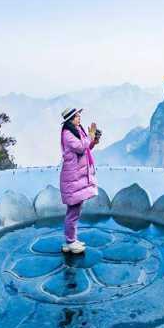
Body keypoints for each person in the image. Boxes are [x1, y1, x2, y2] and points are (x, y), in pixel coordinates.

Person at [59, 107, 102, 254]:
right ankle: (70, 241)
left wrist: (94, 140)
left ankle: (71, 240)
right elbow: (79, 147)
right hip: (73, 178)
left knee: (75, 210)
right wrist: (89, 137)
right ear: (70, 120)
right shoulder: (67, 134)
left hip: (77, 177)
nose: (79, 119)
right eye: (77, 117)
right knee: (73, 211)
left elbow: (86, 148)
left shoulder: (77, 131)